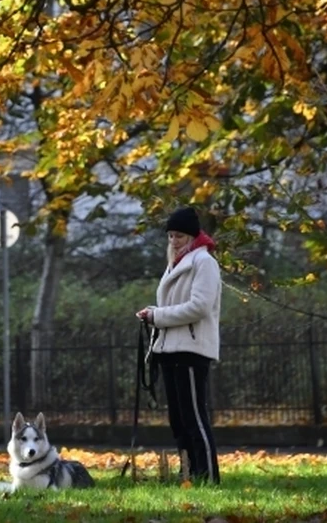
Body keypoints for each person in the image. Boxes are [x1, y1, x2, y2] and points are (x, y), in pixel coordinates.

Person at [136, 206, 221, 484]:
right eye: (171, 236)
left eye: (179, 236)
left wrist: (157, 316)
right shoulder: (176, 261)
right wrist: (152, 312)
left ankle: (208, 477)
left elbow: (199, 307)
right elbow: (173, 305)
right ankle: (188, 475)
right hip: (169, 349)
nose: (173, 241)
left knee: (194, 418)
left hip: (191, 350)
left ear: (192, 236)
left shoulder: (203, 261)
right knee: (178, 420)